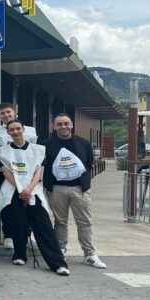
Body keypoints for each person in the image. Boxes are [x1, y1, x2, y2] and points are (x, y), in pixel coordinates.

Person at [0, 119, 69, 276]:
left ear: (23, 129)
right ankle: (19, 254)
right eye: (12, 129)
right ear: (8, 132)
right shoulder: (2, 152)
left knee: (43, 225)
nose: (15, 132)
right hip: (13, 190)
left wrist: (28, 190)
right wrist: (20, 190)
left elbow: (38, 171)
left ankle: (57, 263)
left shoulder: (38, 149)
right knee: (18, 224)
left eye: (18, 128)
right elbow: (6, 172)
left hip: (33, 190)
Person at [41, 113, 106, 269]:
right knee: (60, 222)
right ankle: (61, 251)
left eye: (66, 123)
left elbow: (88, 163)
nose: (63, 126)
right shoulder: (46, 145)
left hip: (80, 189)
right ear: (54, 127)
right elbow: (43, 165)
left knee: (84, 222)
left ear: (72, 125)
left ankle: (89, 254)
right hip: (56, 189)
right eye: (59, 124)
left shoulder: (84, 144)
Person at [0, 103, 36, 251]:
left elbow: (33, 151)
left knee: (26, 201)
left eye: (8, 112)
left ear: (14, 112)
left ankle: (26, 234)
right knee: (7, 203)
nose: (6, 115)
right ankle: (8, 234)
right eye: (2, 113)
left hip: (24, 171)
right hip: (3, 171)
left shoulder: (30, 130)